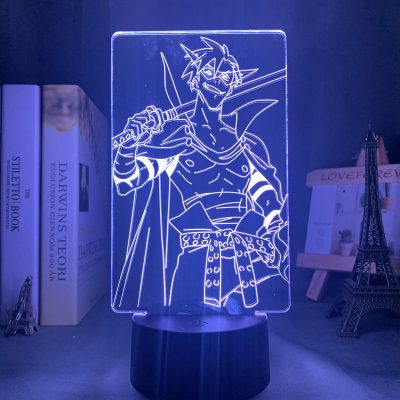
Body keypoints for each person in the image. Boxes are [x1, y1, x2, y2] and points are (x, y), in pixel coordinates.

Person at [112, 37, 288, 313]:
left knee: (244, 323)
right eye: (210, 72)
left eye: (226, 76)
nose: (218, 81)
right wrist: (129, 145)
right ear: (195, 79)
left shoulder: (243, 142)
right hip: (199, 262)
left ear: (232, 84)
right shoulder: (178, 138)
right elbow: (127, 180)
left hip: (251, 257)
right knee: (188, 320)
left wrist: (277, 233)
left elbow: (264, 193)